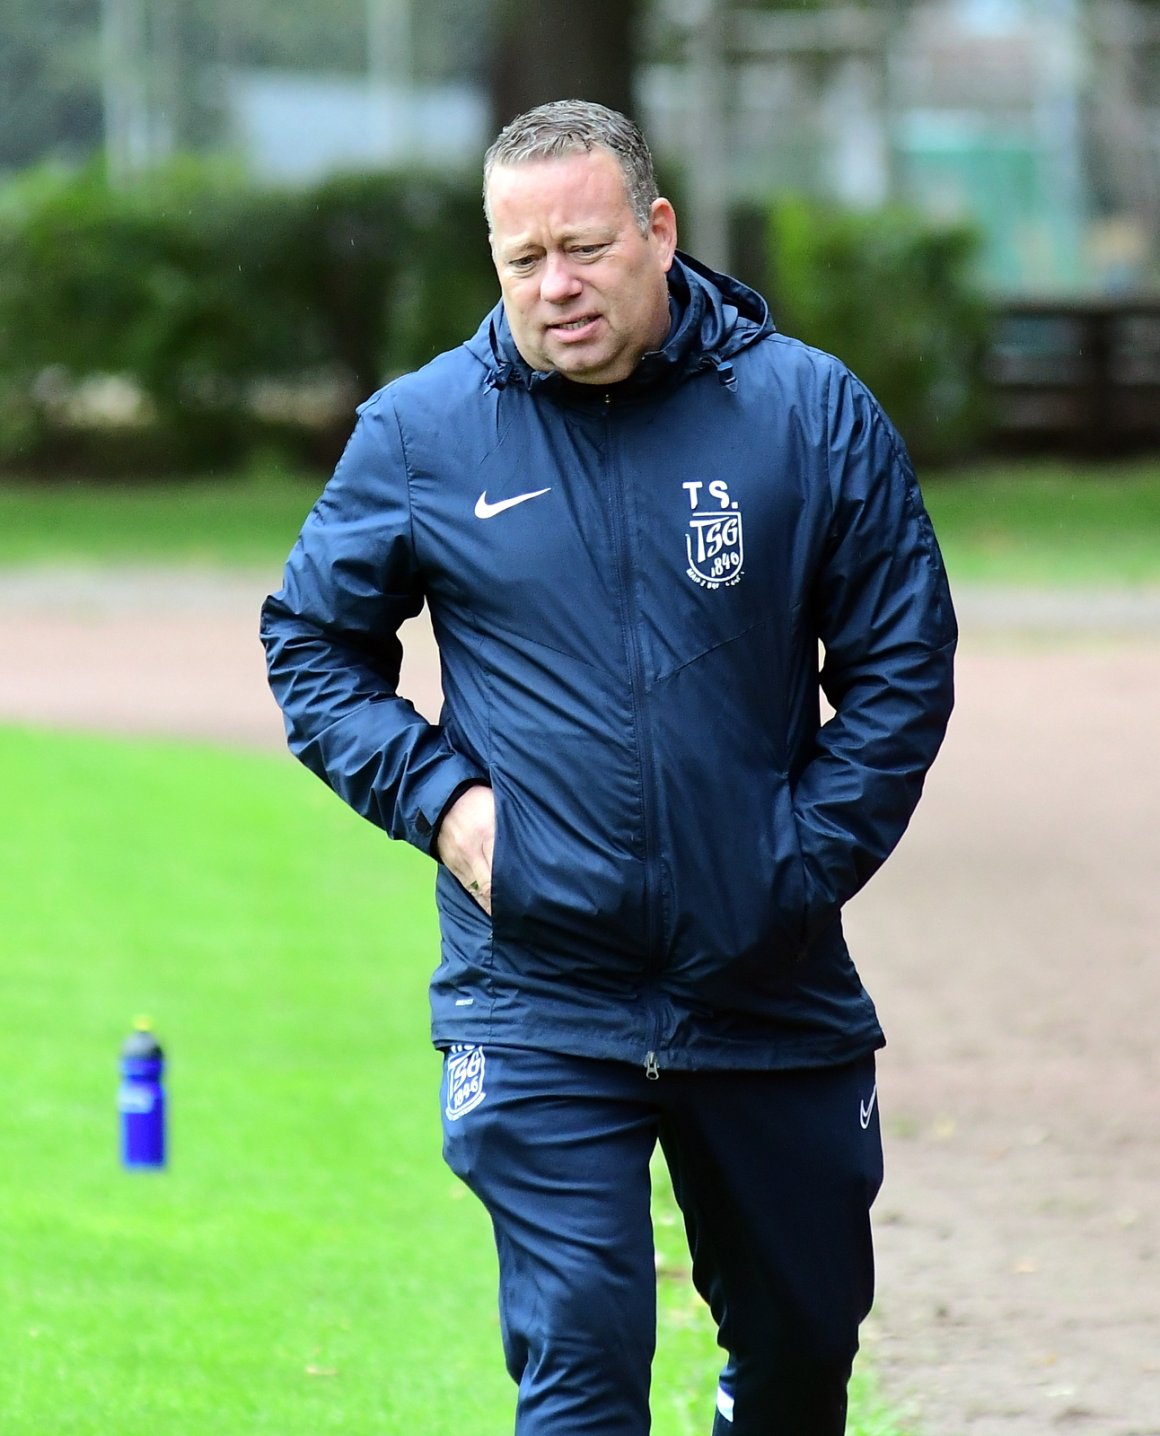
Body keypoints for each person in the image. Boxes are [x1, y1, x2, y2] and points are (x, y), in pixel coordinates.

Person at [261, 99, 956, 1436]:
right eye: (522, 260)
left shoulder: (809, 412)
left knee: (803, 1352)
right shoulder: (420, 433)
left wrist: (795, 863)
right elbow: (312, 644)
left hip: (766, 976)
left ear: (659, 230)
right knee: (579, 1358)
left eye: (582, 249)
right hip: (535, 988)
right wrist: (445, 805)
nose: (555, 287)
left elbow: (902, 660)